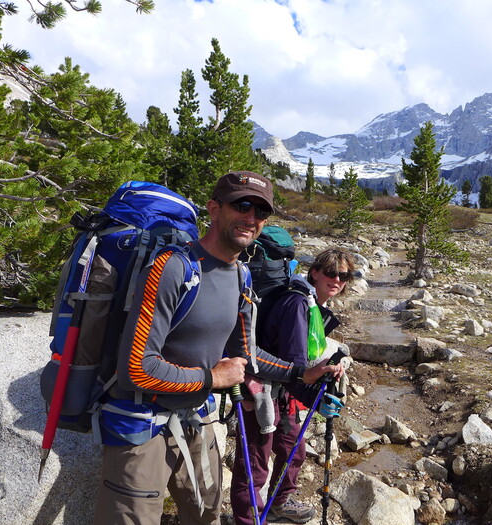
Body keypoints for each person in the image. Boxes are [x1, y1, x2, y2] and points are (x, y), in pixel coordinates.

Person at [94, 171, 342, 525]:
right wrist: (212, 377)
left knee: (206, 516)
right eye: (242, 205)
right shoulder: (174, 267)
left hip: (196, 420)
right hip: (141, 425)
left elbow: (246, 353)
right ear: (213, 208)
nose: (251, 218)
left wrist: (301, 372)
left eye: (261, 212)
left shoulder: (240, 276)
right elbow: (138, 367)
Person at [231, 248, 355, 525]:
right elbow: (292, 365)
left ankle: (278, 504)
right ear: (315, 272)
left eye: (344, 275)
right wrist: (315, 399)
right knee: (255, 465)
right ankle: (248, 520)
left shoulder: (312, 304)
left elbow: (301, 361)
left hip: (285, 393)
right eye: (331, 272)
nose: (337, 279)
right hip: (261, 390)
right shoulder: (297, 304)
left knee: (293, 452)